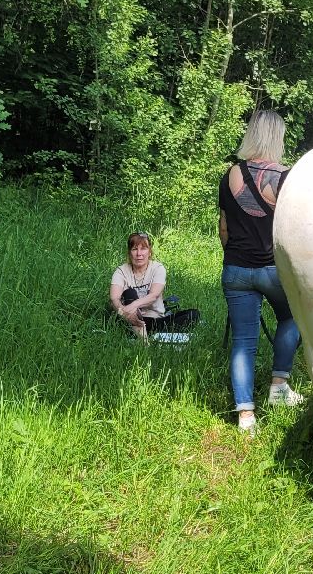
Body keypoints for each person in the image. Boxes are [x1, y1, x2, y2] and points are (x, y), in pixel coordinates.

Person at [219, 110, 303, 435]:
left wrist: (234, 259)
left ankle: (245, 416)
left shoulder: (230, 174)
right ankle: (279, 385)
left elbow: (224, 229)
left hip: (236, 270)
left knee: (243, 341)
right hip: (272, 270)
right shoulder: (286, 178)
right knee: (293, 316)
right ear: (276, 138)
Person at [110, 232, 199, 340]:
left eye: (143, 249)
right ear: (129, 253)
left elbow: (154, 296)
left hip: (155, 321)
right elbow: (114, 299)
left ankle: (147, 334)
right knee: (129, 292)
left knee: (194, 314)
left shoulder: (157, 268)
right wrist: (124, 312)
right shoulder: (121, 271)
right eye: (134, 249)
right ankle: (144, 341)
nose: (139, 254)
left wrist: (132, 306)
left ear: (150, 252)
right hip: (130, 320)